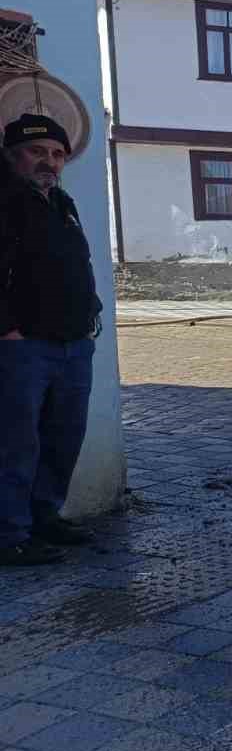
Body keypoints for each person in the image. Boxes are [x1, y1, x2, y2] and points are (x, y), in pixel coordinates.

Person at [0, 114, 102, 566]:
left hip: (74, 345)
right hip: (25, 347)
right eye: (37, 151)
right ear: (12, 155)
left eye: (58, 154)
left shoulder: (61, 204)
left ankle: (44, 516)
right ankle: (9, 535)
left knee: (64, 437)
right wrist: (9, 330)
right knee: (17, 443)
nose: (49, 161)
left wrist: (91, 313)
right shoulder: (5, 201)